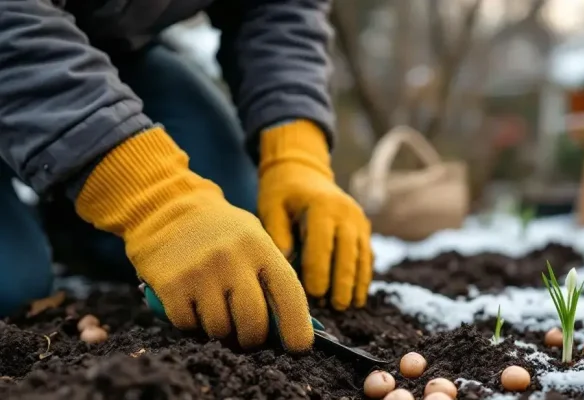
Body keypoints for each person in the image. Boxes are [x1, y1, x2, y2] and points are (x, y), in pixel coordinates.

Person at [0, 1, 373, 352]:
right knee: (11, 288)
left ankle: (68, 215)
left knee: (235, 226)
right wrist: (156, 201)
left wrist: (296, 155)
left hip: (107, 52)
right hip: (16, 41)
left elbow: (281, 9)